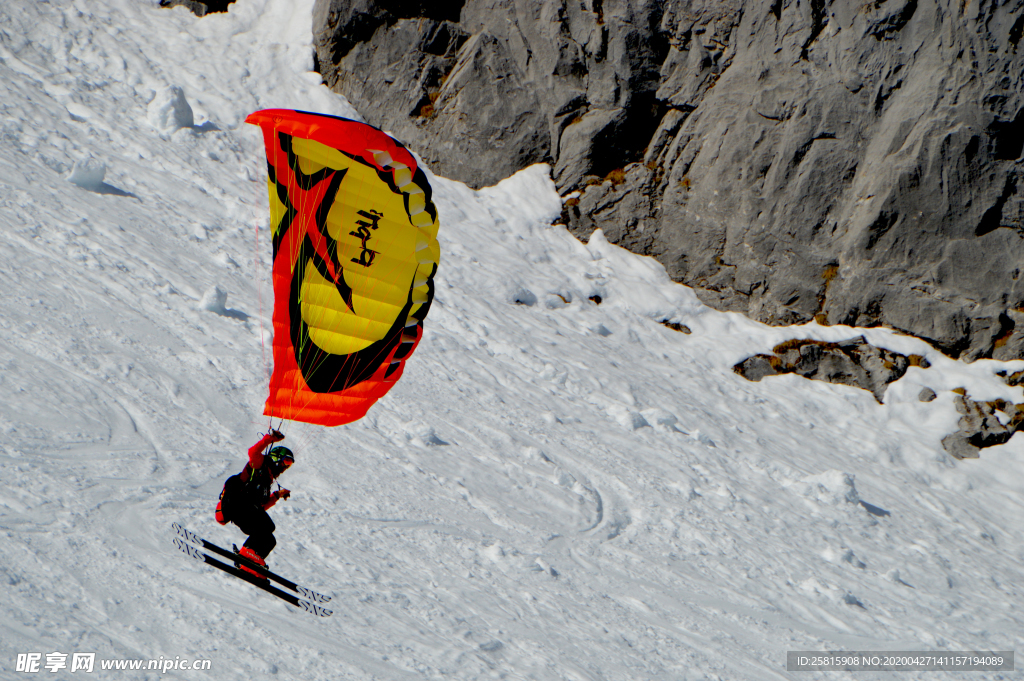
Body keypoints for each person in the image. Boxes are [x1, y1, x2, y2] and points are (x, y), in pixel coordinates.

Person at [215, 429, 293, 577]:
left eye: (289, 465)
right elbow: (253, 452)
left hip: (247, 511)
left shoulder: (267, 481)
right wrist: (269, 439)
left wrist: (277, 495)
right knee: (267, 526)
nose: (286, 467)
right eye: (286, 462)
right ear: (277, 458)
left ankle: (250, 566)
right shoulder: (260, 464)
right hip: (237, 505)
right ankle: (246, 553)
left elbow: (261, 507)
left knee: (270, 539)